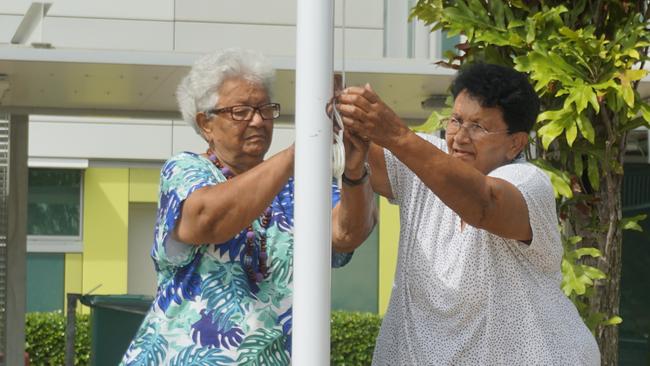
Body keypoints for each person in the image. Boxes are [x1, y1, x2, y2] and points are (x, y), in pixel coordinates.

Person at [120, 48, 376, 365]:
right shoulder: (185, 170)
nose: (257, 120)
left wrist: (355, 169)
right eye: (241, 111)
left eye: (265, 109)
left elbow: (347, 233)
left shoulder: (299, 185)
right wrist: (302, 150)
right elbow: (206, 220)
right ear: (206, 124)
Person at [336, 63, 600, 365]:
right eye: (456, 121)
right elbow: (353, 147)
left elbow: (485, 204)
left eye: (478, 127)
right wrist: (339, 114)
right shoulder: (425, 161)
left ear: (516, 143)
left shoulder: (530, 183)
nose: (460, 137)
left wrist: (395, 133)